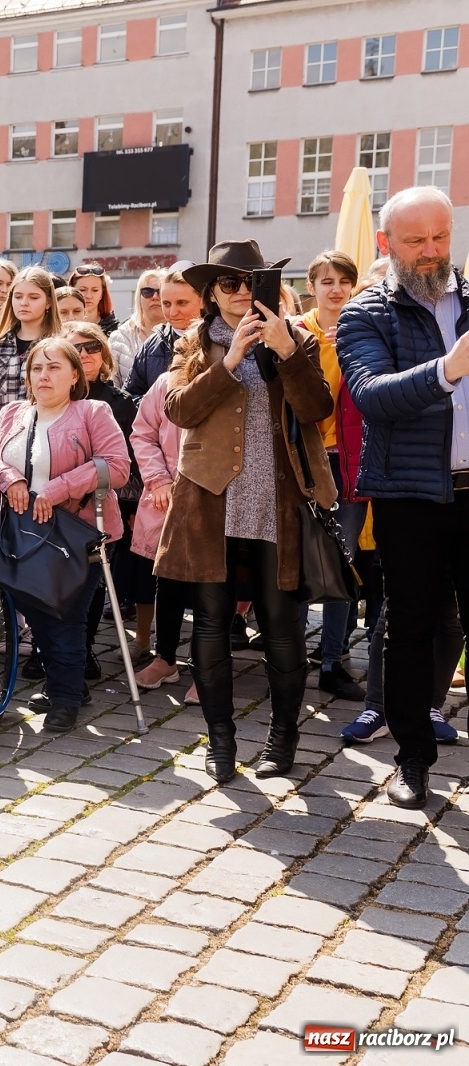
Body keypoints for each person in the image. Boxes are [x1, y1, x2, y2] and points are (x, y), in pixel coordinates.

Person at [155, 240, 334, 784]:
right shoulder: (193, 342)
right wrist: (230, 361)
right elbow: (179, 411)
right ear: (210, 292)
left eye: (248, 282)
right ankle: (221, 742)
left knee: (282, 628)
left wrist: (286, 351)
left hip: (276, 504)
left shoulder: (294, 337)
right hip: (210, 505)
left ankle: (282, 743)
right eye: (227, 283)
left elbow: (318, 409)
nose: (237, 292)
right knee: (209, 625)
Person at [337, 185, 469, 808]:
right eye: (416, 241)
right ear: (387, 244)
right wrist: (451, 367)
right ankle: (413, 758)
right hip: (409, 496)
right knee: (410, 625)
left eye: (440, 236)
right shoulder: (367, 313)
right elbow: (373, 395)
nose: (431, 251)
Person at [0, 338, 130, 731]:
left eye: (55, 368)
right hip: (23, 535)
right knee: (40, 614)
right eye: (37, 369)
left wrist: (56, 489)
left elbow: (117, 467)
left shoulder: (93, 411)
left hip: (76, 534)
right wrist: (10, 479)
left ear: (75, 374)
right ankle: (71, 685)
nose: (44, 376)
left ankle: (64, 699)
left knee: (65, 617)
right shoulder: (13, 413)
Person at [292, 250, 368, 701]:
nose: (336, 288)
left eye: (344, 280)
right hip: (304, 460)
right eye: (327, 281)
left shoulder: (366, 329)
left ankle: (334, 660)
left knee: (343, 563)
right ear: (312, 287)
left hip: (350, 459)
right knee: (301, 562)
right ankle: (293, 657)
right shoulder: (296, 333)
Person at [64, 323, 138, 679]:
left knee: (93, 582)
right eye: (76, 348)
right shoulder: (56, 397)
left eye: (92, 346)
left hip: (104, 503)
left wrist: (129, 506)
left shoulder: (120, 403)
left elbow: (129, 462)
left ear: (104, 353)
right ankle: (54, 647)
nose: (85, 354)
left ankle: (85, 647)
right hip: (59, 505)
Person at [129, 371, 193, 697]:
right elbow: (142, 431)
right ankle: (165, 658)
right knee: (167, 577)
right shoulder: (169, 382)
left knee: (214, 586)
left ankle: (209, 668)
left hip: (219, 496)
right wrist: (158, 479)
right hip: (169, 495)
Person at [0, 266, 63, 441]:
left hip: (48, 442)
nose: (24, 302)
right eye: (18, 296)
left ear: (48, 302)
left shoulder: (60, 346)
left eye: (34, 297)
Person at [125, 266, 203, 398]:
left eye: (182, 303)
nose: (173, 312)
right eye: (166, 304)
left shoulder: (217, 339)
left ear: (202, 301)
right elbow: (130, 397)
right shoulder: (151, 346)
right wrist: (156, 410)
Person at [110, 268, 166, 385]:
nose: (155, 297)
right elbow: (112, 387)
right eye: (147, 292)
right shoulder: (119, 338)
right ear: (139, 298)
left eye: (160, 292)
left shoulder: (181, 334)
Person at [69, 262, 120, 335]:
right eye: (82, 290)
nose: (89, 296)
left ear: (102, 293)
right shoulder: (59, 328)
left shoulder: (115, 331)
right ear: (71, 291)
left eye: (95, 290)